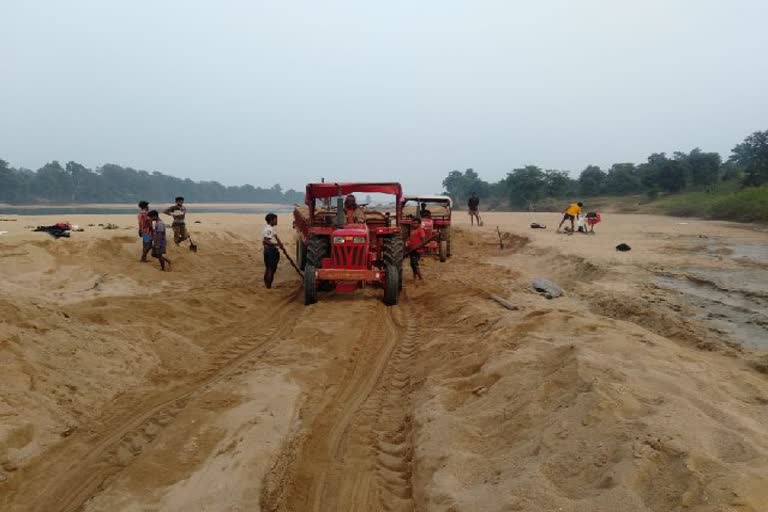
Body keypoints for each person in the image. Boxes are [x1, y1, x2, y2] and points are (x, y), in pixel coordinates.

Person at [262, 213, 282, 289]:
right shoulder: (269, 229)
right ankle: (268, 286)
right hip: (270, 251)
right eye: (275, 220)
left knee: (268, 268)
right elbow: (265, 240)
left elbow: (275, 237)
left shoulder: (269, 228)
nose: (276, 221)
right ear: (271, 221)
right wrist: (276, 244)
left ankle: (267, 285)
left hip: (268, 250)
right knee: (271, 269)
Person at [407, 217, 427, 282]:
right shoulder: (412, 231)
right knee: (412, 264)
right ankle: (414, 277)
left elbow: (423, 240)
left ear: (419, 224)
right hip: (411, 250)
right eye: (413, 223)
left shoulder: (421, 230)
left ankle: (421, 278)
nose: (414, 224)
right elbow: (410, 240)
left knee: (414, 263)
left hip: (417, 250)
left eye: (416, 223)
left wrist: (420, 247)